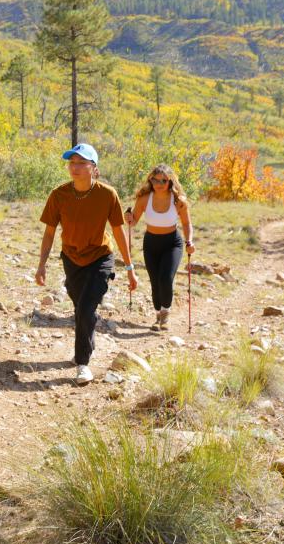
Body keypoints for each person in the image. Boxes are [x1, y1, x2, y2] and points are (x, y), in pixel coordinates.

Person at [35, 143, 138, 384]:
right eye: (72, 162)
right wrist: (41, 265)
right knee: (80, 307)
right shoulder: (58, 194)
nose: (75, 167)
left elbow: (118, 231)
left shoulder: (107, 194)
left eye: (82, 163)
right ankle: (86, 344)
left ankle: (82, 363)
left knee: (85, 309)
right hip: (71, 258)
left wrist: (130, 268)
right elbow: (49, 233)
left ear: (94, 168)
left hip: (100, 257)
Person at [126, 164, 194, 331]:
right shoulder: (144, 199)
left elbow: (186, 224)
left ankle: (165, 314)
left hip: (172, 243)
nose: (159, 183)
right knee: (155, 282)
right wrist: (128, 217)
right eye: (155, 180)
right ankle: (158, 316)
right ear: (151, 180)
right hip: (151, 243)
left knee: (165, 278)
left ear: (169, 181)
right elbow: (133, 221)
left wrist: (189, 241)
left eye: (163, 180)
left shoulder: (178, 201)